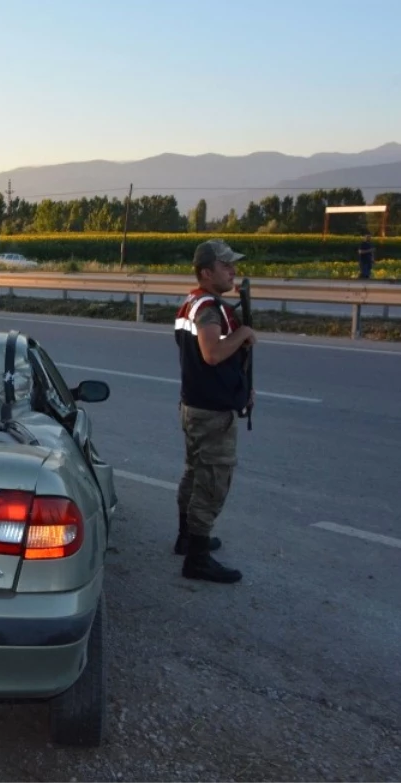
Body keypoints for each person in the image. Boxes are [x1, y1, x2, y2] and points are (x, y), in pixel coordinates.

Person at [173, 239, 255, 584]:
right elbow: (212, 354)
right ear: (207, 272)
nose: (232, 271)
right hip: (210, 413)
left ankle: (186, 538)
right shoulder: (208, 308)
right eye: (226, 266)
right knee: (212, 482)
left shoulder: (192, 302)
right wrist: (245, 334)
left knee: (195, 473)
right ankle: (198, 558)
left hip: (195, 405)